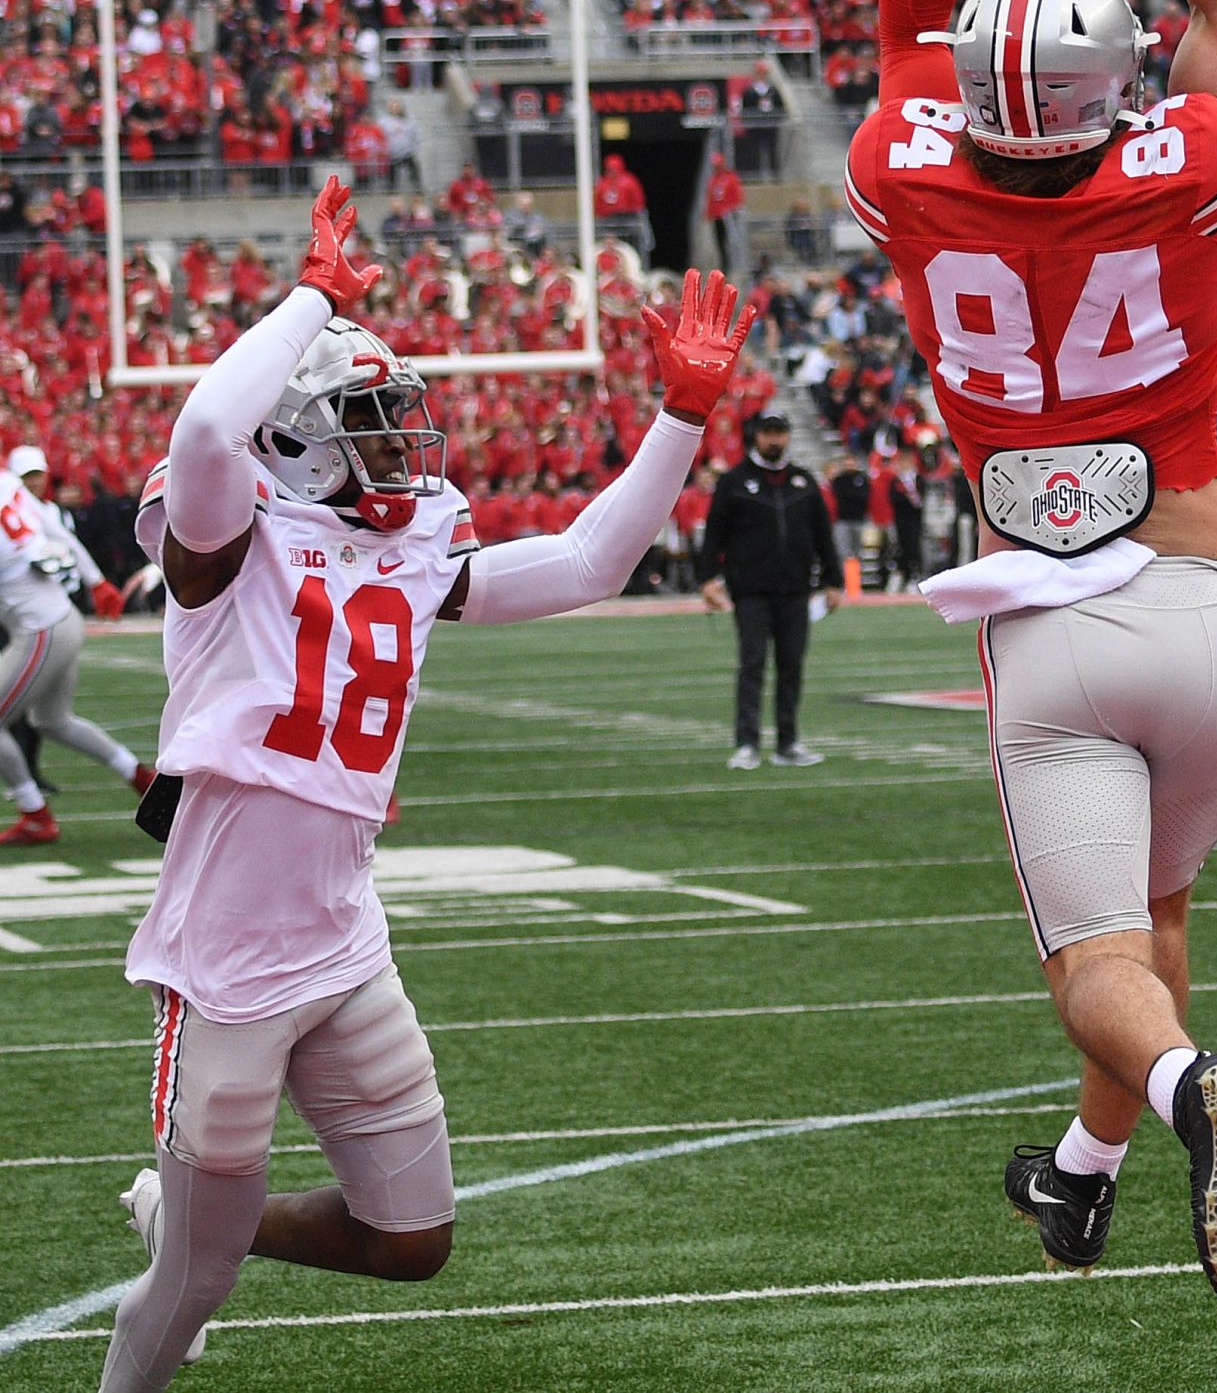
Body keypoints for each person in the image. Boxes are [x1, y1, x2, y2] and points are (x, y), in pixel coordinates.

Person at [100, 180, 756, 1392]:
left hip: (346, 942)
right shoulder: (226, 531)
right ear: (296, 431)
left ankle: (189, 1219)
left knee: (413, 1240)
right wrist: (309, 297)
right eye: (368, 414)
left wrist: (681, 413)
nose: (400, 436)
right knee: (193, 1284)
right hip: (225, 959)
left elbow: (585, 562)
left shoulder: (403, 545)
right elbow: (203, 434)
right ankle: (173, 1273)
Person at [839, 0, 1217, 1312]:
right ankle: (1079, 1177)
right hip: (1207, 599)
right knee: (1154, 922)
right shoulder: (1194, 165)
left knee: (1099, 968)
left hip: (1051, 631)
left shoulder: (906, 167)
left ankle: (1187, 1097)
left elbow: (899, 31)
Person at [0, 453, 148, 845]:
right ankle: (139, 775)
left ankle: (34, 813)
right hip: (60, 618)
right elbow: (58, 533)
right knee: (52, 720)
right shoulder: (7, 484)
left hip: (41, 630)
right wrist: (96, 580)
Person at [701, 410, 846, 770]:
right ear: (756, 436)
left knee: (791, 667)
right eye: (768, 432)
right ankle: (747, 743)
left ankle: (788, 742)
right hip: (750, 590)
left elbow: (822, 534)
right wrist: (707, 578)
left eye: (780, 432)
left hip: (796, 590)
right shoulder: (735, 481)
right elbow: (713, 534)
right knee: (752, 665)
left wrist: (834, 579)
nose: (775, 439)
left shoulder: (803, 481)